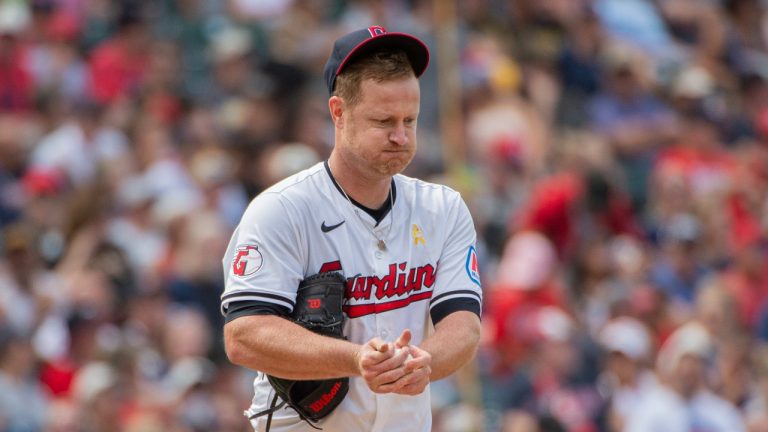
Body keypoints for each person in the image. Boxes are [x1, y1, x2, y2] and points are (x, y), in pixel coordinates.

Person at [220, 26, 483, 431]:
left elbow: (463, 325)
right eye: (383, 121)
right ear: (338, 113)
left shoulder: (442, 207)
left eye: (409, 120)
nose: (400, 136)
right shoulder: (283, 209)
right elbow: (243, 335)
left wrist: (427, 361)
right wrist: (355, 358)